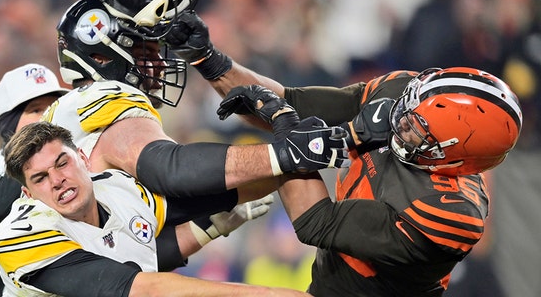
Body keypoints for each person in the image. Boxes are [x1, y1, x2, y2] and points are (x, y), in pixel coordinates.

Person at [214, 68, 522, 296]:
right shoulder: (405, 95)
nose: (399, 119)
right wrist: (208, 60)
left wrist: (288, 123)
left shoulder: (448, 213)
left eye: (417, 127)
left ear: (454, 157)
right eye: (408, 107)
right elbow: (293, 100)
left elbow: (315, 221)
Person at [44, 0, 348, 208]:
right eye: (148, 53)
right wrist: (282, 155)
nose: (161, 65)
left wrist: (273, 172)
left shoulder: (74, 111)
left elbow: (145, 229)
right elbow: (170, 169)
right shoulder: (104, 97)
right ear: (101, 56)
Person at [0, 121, 311, 297]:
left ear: (84, 159)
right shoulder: (21, 236)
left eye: (62, 163)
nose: (58, 180)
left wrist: (291, 161)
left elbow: (218, 192)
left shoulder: (117, 189)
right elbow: (134, 287)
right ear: (27, 195)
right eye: (41, 178)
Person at [0, 63, 70, 296]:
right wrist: (29, 158)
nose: (48, 117)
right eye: (36, 109)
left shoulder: (72, 165)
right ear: (10, 123)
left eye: (53, 107)